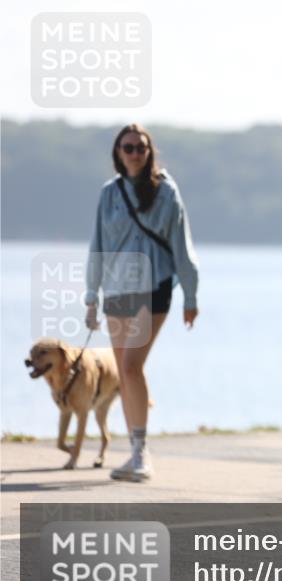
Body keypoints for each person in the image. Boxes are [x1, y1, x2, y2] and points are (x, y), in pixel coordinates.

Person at [84, 123, 200, 482]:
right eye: (128, 147)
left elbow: (182, 244)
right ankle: (135, 452)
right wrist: (91, 296)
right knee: (126, 370)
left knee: (131, 365)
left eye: (141, 147)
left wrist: (191, 294)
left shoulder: (166, 191)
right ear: (118, 153)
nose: (135, 153)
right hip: (117, 291)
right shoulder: (110, 193)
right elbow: (98, 245)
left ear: (149, 152)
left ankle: (141, 455)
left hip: (155, 286)